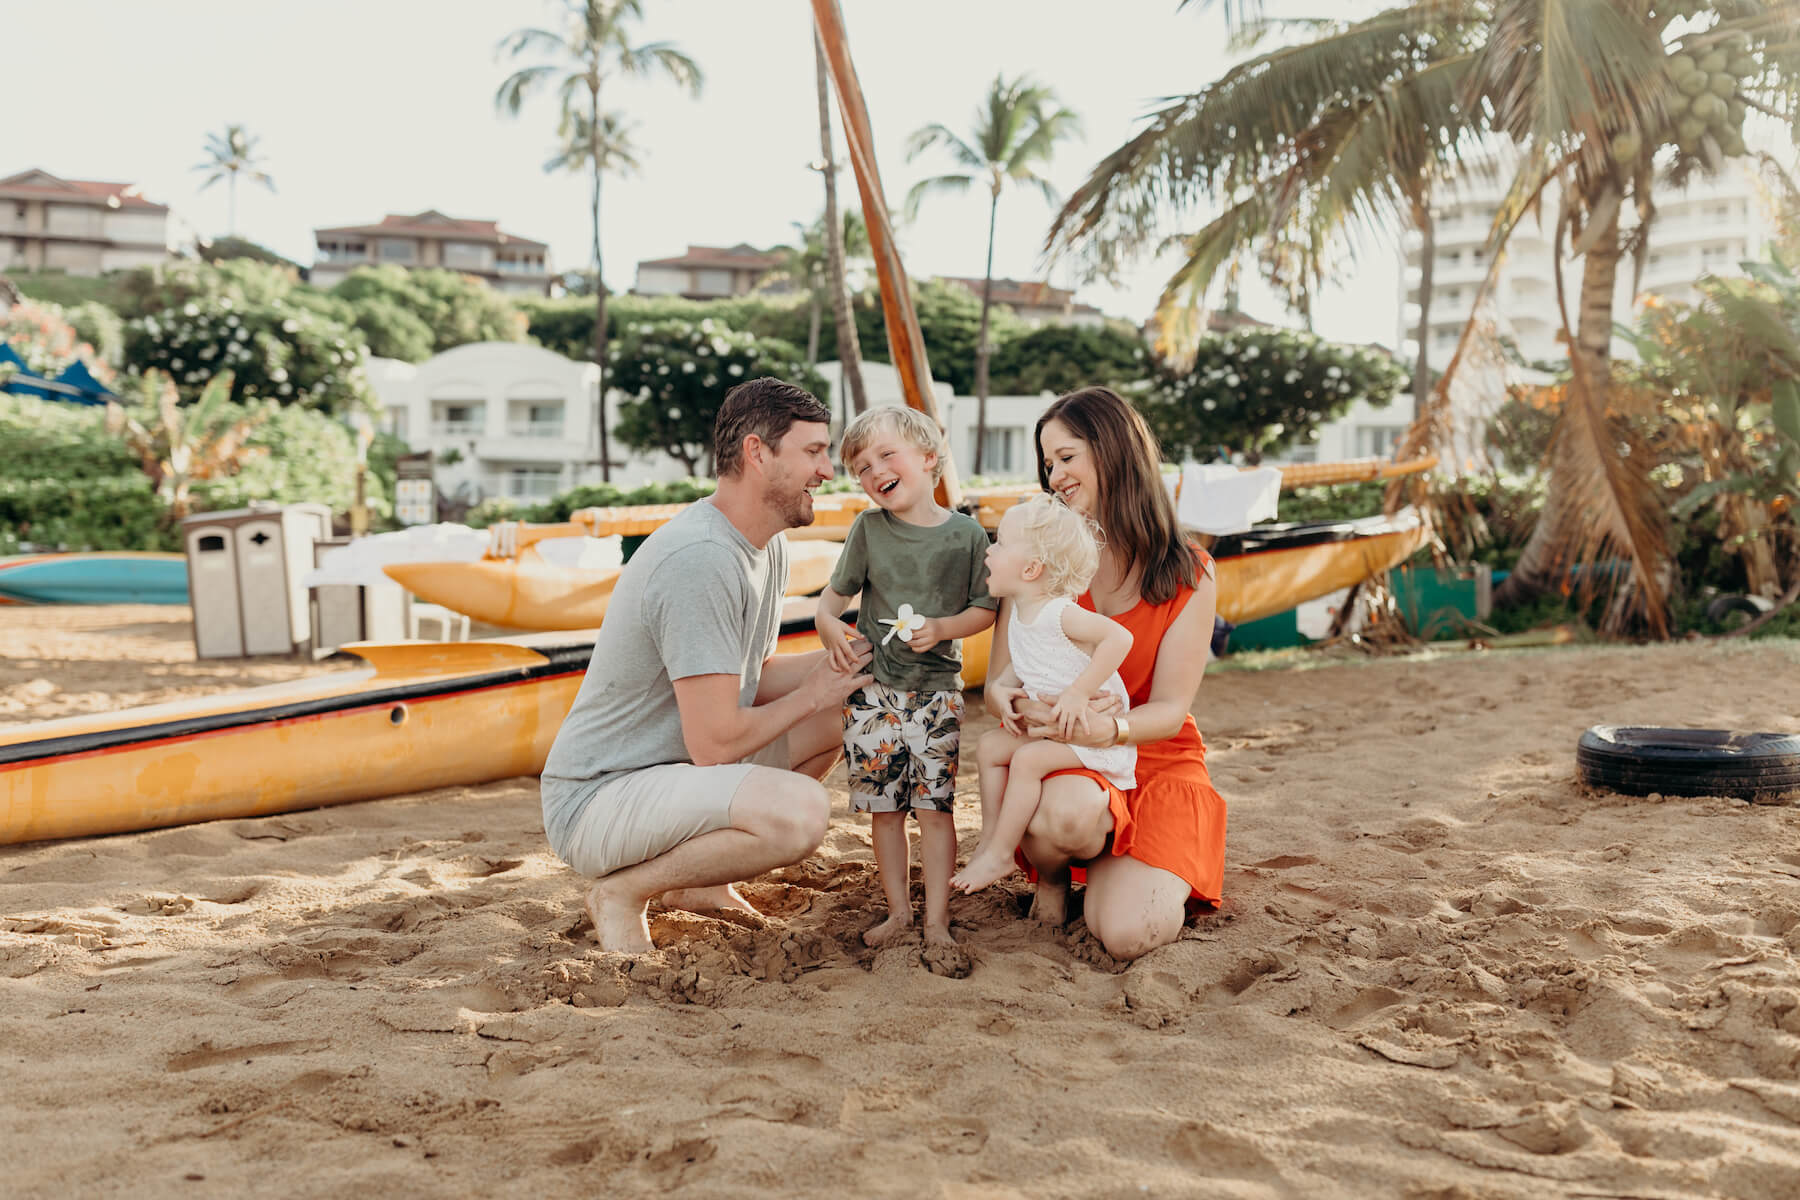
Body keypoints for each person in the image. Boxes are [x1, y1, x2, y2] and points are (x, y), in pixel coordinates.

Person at [540, 377, 874, 954]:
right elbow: (716, 744)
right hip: (600, 798)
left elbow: (751, 677)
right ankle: (623, 892)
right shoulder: (701, 560)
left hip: (667, 779)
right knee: (798, 814)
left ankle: (700, 884)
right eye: (813, 451)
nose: (827, 470)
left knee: (840, 717)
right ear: (757, 452)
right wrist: (814, 692)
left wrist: (849, 659)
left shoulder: (765, 545)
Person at [986, 386, 1225, 962]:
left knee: (1125, 934)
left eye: (1067, 457)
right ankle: (1052, 877)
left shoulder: (1188, 570)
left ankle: (1109, 875)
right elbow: (999, 683)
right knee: (1067, 814)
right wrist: (1010, 703)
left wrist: (1109, 731)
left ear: (1115, 451)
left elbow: (1169, 710)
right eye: (1048, 464)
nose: (1055, 476)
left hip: (1152, 758)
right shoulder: (1040, 559)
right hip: (1068, 758)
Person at [816, 405, 996, 948]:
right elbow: (832, 602)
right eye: (862, 468)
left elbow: (985, 611)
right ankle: (898, 915)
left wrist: (943, 626)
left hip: (937, 696)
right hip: (873, 694)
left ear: (928, 457)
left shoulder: (967, 536)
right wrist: (829, 628)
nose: (874, 473)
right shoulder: (869, 530)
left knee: (934, 811)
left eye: (885, 456)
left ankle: (937, 921)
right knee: (885, 812)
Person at [951, 494, 1134, 894]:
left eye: (999, 543)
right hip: (1055, 729)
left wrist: (1077, 693)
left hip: (1092, 736)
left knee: (1030, 759)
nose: (989, 550)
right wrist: (1008, 693)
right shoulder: (1021, 611)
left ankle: (1002, 853)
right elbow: (1027, 662)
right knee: (988, 748)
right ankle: (989, 840)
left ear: (1032, 568)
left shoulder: (1059, 612)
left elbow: (1119, 637)